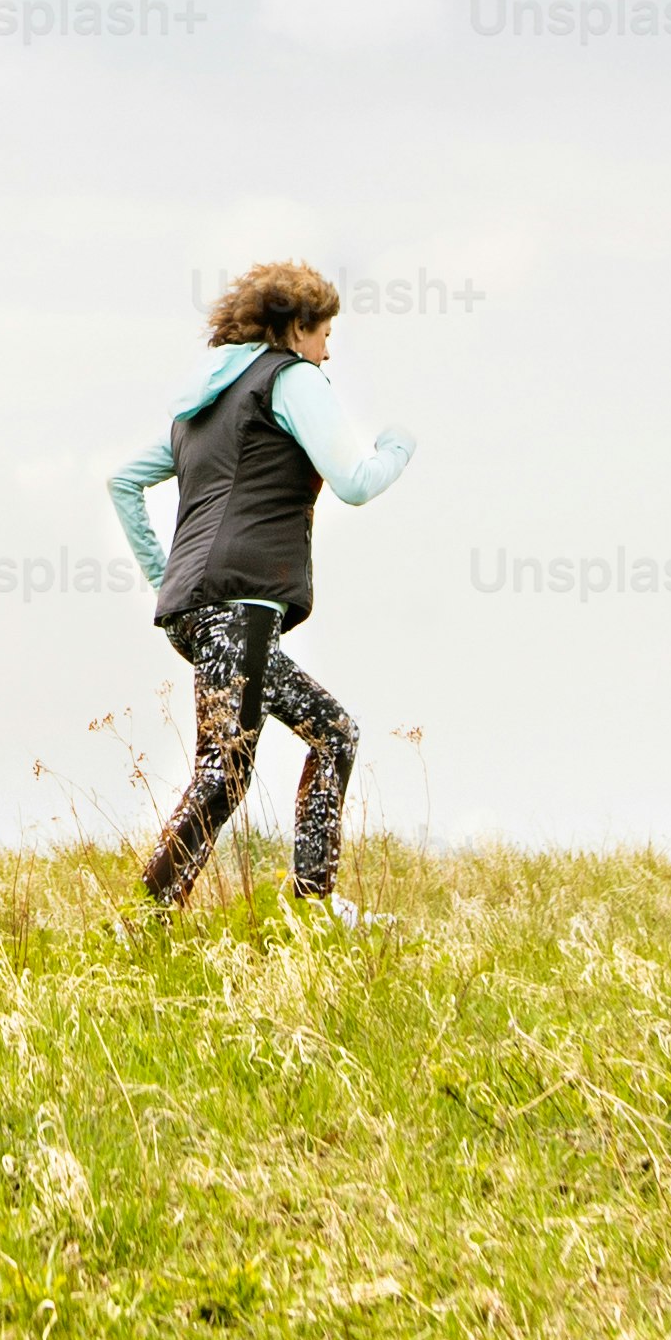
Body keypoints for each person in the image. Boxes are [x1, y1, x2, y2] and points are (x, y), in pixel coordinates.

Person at [108, 259, 414, 924]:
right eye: (323, 333)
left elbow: (124, 481)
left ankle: (316, 903)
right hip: (240, 602)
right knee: (225, 773)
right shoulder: (291, 379)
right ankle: (144, 918)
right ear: (293, 329)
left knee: (333, 733)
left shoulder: (201, 404)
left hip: (196, 611)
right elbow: (357, 481)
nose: (328, 350)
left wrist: (167, 579)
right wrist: (398, 446)